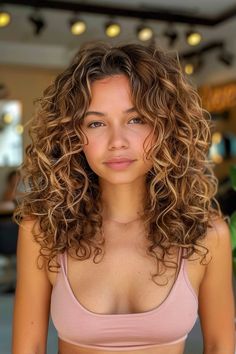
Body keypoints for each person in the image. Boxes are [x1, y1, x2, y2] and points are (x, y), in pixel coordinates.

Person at [12, 42, 235, 354]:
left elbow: (220, 346)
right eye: (96, 123)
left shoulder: (207, 236)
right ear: (73, 136)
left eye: (136, 119)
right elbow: (28, 348)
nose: (117, 141)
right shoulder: (43, 232)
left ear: (165, 126)